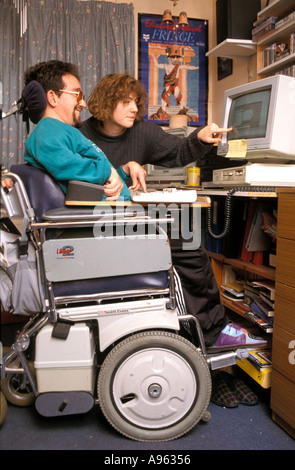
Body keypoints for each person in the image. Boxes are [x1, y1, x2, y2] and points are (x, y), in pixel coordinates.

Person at [80, 73, 267, 351]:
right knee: (187, 246)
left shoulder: (141, 131)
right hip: (96, 222)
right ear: (107, 103)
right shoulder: (80, 135)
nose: (134, 108)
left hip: (130, 219)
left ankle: (207, 329)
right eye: (125, 102)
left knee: (189, 238)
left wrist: (201, 138)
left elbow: (178, 152)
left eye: (135, 102)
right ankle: (211, 332)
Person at [21, 61, 144, 201]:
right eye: (77, 95)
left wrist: (121, 172)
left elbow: (86, 178)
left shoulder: (61, 130)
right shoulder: (48, 130)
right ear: (52, 97)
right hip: (105, 217)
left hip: (113, 211)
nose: (83, 104)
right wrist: (106, 172)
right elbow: (65, 164)